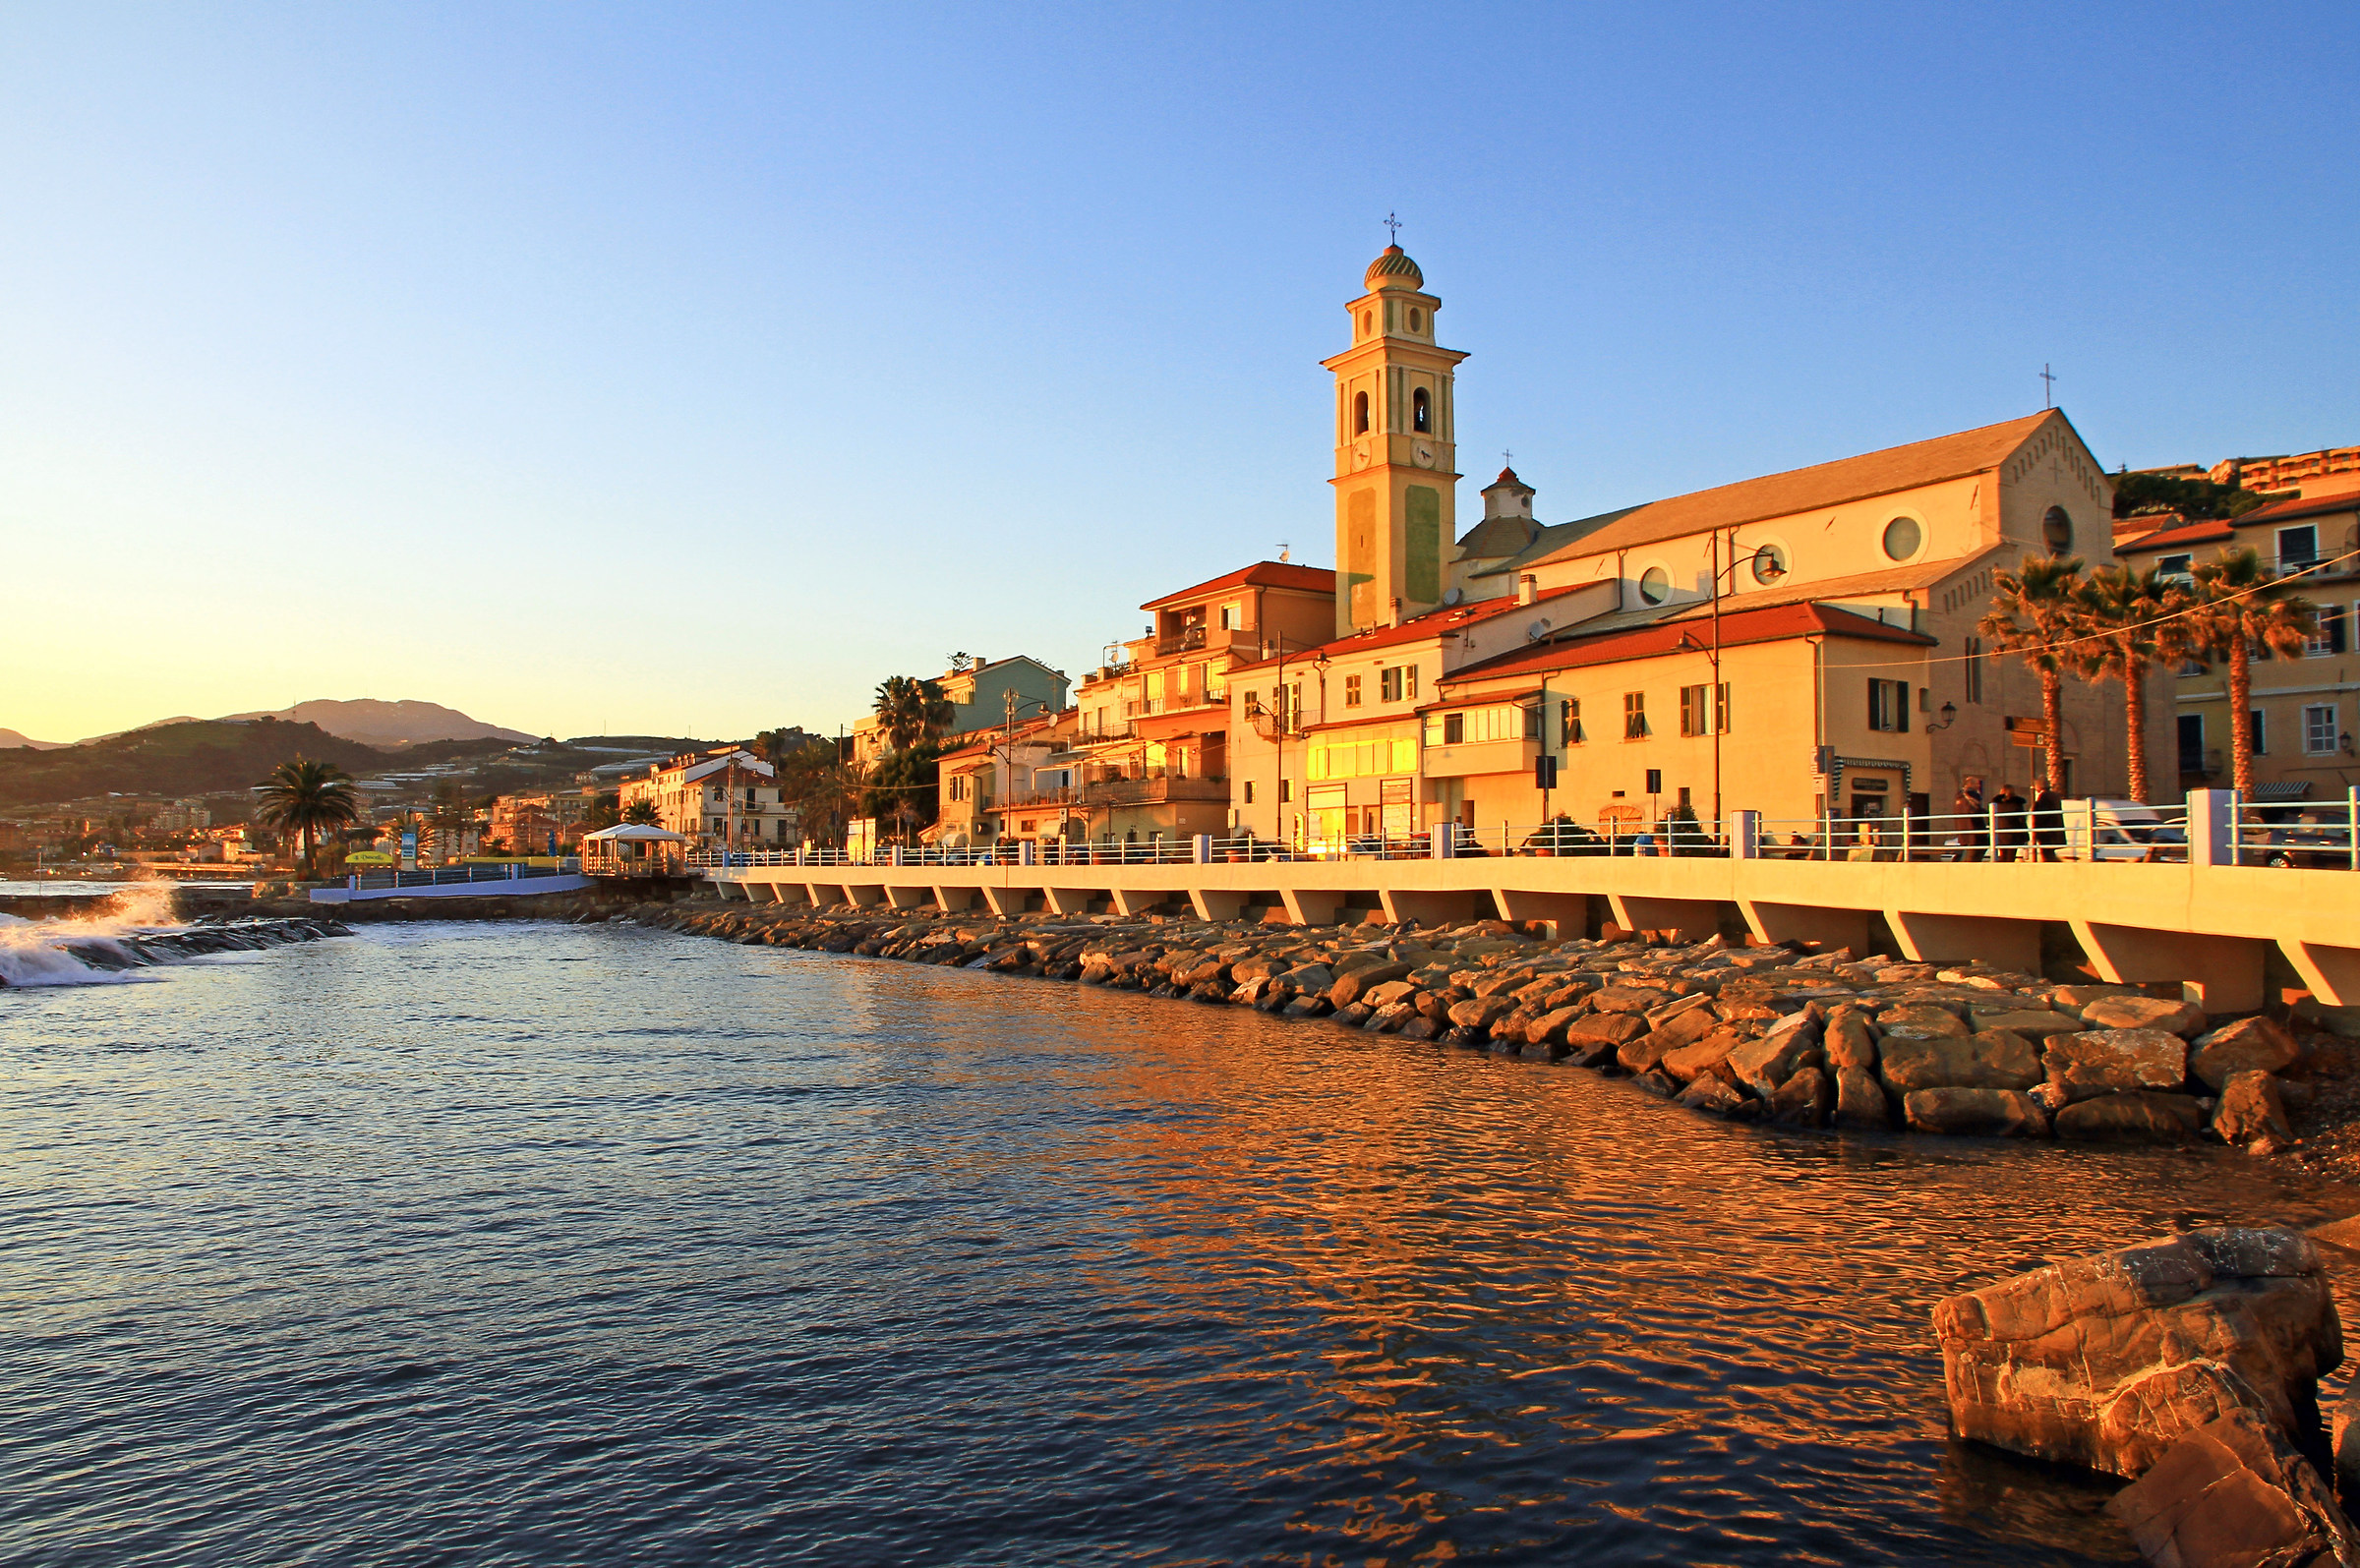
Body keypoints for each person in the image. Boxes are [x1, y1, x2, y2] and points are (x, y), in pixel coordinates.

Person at [1989, 784, 2029, 862]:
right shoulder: (2016, 804)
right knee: (2011, 856)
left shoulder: (1997, 804)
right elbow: (2021, 820)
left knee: (2003, 855)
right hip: (2013, 834)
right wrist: (2025, 835)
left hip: (2000, 834)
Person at [1950, 784, 1987, 862]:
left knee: (1963, 856)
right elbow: (1975, 812)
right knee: (1972, 859)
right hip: (1974, 836)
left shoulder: (1959, 801)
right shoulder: (1970, 803)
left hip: (1964, 835)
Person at [2032, 785, 2066, 861]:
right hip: (2053, 832)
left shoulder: (2044, 797)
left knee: (2047, 855)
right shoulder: (2054, 795)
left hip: (2045, 833)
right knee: (2049, 854)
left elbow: (2042, 815)